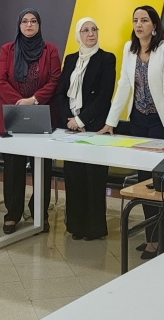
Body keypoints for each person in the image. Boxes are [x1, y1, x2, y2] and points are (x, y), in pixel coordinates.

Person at [99, 5, 164, 259]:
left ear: (154, 25)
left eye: (144, 20)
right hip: (137, 120)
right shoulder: (129, 48)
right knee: (143, 179)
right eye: (135, 20)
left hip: (160, 121)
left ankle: (154, 240)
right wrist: (111, 121)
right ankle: (151, 236)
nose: (139, 25)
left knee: (155, 181)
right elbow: (123, 85)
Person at [0, 8, 61, 234]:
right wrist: (19, 102)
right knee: (13, 167)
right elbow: (0, 80)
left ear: (39, 25)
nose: (29, 25)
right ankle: (12, 214)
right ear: (19, 25)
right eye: (24, 21)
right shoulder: (7, 50)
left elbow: (55, 79)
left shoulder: (50, 50)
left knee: (41, 167)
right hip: (12, 115)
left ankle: (39, 212)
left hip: (41, 114)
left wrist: (34, 100)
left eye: (33, 21)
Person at [56, 17, 116, 241]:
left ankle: (94, 228)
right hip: (71, 128)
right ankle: (76, 226)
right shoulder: (71, 59)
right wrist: (69, 119)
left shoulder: (106, 59)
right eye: (85, 30)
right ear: (78, 35)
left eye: (94, 29)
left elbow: (104, 97)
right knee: (74, 176)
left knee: (94, 178)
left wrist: (80, 121)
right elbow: (61, 92)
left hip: (94, 127)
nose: (91, 34)